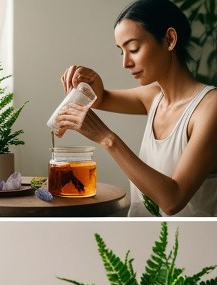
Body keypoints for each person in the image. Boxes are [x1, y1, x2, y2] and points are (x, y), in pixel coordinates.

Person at [55, 0, 217, 216]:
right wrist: (90, 81)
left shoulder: (209, 107)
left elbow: (172, 200)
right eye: (122, 52)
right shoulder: (154, 97)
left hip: (189, 247)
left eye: (133, 48)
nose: (126, 63)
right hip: (143, 241)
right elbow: (100, 99)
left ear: (169, 39)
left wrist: (106, 138)